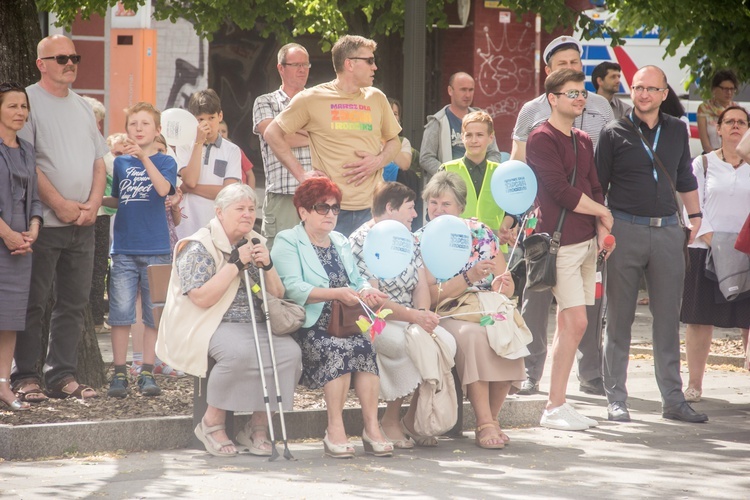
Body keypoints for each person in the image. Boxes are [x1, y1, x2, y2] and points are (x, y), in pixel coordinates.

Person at [596, 65, 708, 424]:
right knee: (619, 320)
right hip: (624, 230)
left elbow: (684, 177)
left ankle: (673, 401)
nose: (642, 94)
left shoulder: (677, 129)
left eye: (650, 89)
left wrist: (696, 219)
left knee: (666, 321)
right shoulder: (613, 131)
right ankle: (616, 399)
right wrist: (603, 231)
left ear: (663, 94)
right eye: (637, 88)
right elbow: (599, 187)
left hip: (667, 233)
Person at [157, 183, 302, 457]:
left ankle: (257, 425)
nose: (248, 214)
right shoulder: (199, 245)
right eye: (240, 209)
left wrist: (267, 265)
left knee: (288, 352)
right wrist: (236, 264)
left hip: (256, 322)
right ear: (220, 212)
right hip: (212, 321)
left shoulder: (256, 240)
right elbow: (200, 298)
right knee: (239, 353)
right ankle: (212, 422)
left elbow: (278, 294)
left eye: (252, 209)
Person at [511, 35, 614, 397]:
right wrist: (516, 215)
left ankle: (577, 387)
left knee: (579, 319)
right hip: (552, 233)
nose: (580, 96)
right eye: (572, 91)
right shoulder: (537, 127)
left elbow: (594, 178)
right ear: (551, 87)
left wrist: (602, 223)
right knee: (548, 308)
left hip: (587, 234)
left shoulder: (589, 128)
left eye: (582, 88)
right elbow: (549, 183)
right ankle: (539, 384)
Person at [13, 35, 108, 402]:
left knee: (73, 304)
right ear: (42, 63)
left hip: (82, 226)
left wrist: (93, 204)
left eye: (75, 57)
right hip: (43, 225)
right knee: (33, 304)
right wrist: (60, 204)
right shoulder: (28, 103)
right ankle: (25, 377)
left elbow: (99, 160)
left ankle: (62, 376)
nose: (71, 63)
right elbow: (26, 162)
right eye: (62, 58)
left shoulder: (84, 106)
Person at [272, 177, 392, 458]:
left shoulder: (339, 241)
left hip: (345, 323)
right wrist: (336, 293)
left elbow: (357, 279)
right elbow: (291, 287)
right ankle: (334, 429)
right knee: (339, 350)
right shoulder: (288, 240)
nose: (330, 214)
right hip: (308, 325)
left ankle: (371, 428)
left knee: (364, 347)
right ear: (303, 211)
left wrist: (366, 292)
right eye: (322, 208)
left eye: (335, 208)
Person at [418, 171, 522, 449]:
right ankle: (485, 423)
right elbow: (427, 298)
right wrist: (468, 278)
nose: (438, 210)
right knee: (474, 335)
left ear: (461, 208)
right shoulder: (422, 239)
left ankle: (493, 419)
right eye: (433, 203)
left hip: (484, 305)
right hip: (448, 310)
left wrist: (505, 285)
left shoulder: (480, 232)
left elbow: (505, 289)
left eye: (446, 204)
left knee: (507, 325)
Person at [349, 182, 457, 448]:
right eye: (410, 208)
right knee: (406, 344)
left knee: (444, 340)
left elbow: (421, 284)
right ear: (390, 208)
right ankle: (389, 420)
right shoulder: (363, 240)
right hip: (373, 319)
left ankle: (414, 418)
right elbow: (372, 301)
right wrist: (414, 318)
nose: (415, 215)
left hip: (408, 316)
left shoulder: (408, 238)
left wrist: (422, 314)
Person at [264, 34, 402, 237]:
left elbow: (394, 141)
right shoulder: (311, 98)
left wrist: (378, 161)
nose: (375, 67)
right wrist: (302, 175)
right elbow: (271, 133)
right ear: (350, 64)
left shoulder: (377, 97)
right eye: (370, 61)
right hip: (330, 211)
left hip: (373, 209)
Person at [101, 102, 177, 398]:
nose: (139, 129)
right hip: (123, 249)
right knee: (120, 313)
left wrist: (145, 158)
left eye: (145, 124)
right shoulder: (120, 163)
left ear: (157, 130)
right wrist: (97, 199)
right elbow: (120, 200)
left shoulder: (166, 162)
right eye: (133, 124)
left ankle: (147, 369)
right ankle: (120, 372)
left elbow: (162, 190)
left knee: (152, 314)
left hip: (157, 248)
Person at [681, 105, 750, 402]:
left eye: (742, 122)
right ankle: (694, 384)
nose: (735, 126)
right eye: (729, 121)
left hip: (746, 251)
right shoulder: (703, 164)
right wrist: (713, 240)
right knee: (700, 320)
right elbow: (690, 206)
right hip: (705, 250)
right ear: (718, 128)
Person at [0, 82, 42, 411]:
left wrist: (32, 229)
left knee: (11, 319)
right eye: (12, 105)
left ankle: (4, 386)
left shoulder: (27, 149)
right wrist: (7, 233)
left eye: (23, 106)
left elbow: (35, 199)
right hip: (4, 239)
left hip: (21, 248)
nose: (20, 112)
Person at [252, 43, 313, 249]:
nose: (302, 69)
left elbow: (332, 137)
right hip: (284, 194)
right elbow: (276, 137)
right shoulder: (265, 102)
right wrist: (314, 134)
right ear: (281, 68)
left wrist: (288, 131)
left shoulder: (318, 101)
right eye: (296, 64)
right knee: (279, 265)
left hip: (318, 194)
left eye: (305, 64)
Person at [175, 88, 241, 239]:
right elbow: (190, 180)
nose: (207, 124)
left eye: (211, 118)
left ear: (220, 116)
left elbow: (228, 193)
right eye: (200, 119)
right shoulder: (184, 145)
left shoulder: (232, 150)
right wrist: (198, 142)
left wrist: (187, 188)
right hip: (187, 228)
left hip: (217, 228)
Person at [439, 110, 515, 242]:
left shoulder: (501, 172)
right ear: (462, 137)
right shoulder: (447, 170)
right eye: (469, 135)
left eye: (479, 135)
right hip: (457, 244)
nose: (474, 140)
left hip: (494, 246)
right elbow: (436, 209)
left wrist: (505, 227)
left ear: (491, 138)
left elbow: (512, 210)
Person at [420, 72, 502, 179]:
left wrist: (482, 173)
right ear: (450, 90)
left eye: (471, 90)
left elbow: (494, 154)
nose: (467, 95)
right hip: (449, 185)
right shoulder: (437, 121)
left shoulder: (482, 120)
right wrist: (449, 175)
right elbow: (426, 158)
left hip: (480, 181)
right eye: (463, 90)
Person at [697, 69, 739, 154]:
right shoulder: (704, 109)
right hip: (711, 155)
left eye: (732, 89)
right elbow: (705, 144)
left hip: (734, 157)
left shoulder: (737, 110)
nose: (729, 92)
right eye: (725, 89)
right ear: (714, 89)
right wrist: (719, 159)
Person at [218, 120, 255, 188]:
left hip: (241, 191)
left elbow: (250, 174)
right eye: (217, 131)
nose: (221, 134)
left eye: (224, 131)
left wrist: (251, 193)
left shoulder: (236, 150)